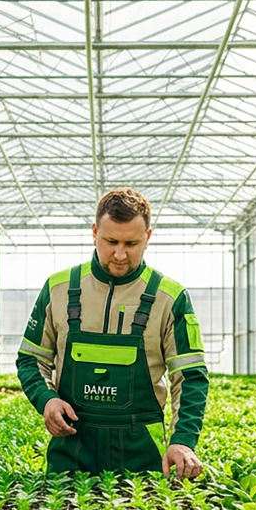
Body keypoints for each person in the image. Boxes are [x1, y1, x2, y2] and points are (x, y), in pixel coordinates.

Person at [16, 188, 209, 479]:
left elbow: (190, 376)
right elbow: (31, 360)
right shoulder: (59, 289)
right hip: (72, 448)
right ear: (95, 232)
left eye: (131, 243)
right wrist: (47, 399)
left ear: (148, 237)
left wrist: (182, 441)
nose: (120, 254)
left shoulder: (169, 297)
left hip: (142, 452)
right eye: (111, 241)